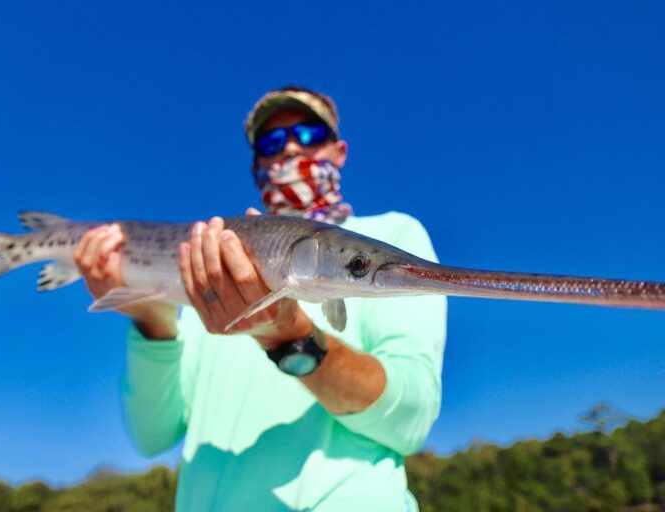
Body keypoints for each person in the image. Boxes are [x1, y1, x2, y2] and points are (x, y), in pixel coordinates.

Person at [74, 86, 447, 511]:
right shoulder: (210, 276)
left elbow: (411, 420)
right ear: (257, 167)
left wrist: (291, 336)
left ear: (339, 151)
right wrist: (152, 320)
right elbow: (152, 436)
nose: (289, 148)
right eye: (271, 142)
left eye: (308, 134)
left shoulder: (394, 235)